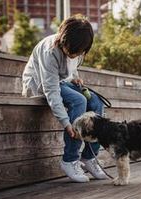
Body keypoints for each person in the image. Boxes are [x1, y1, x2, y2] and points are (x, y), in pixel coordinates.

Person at [22, 14, 107, 183]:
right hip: (39, 85)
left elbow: (70, 67)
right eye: (72, 52)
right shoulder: (49, 51)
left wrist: (74, 77)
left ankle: (89, 157)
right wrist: (67, 124)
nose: (75, 56)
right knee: (79, 100)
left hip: (62, 83)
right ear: (63, 40)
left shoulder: (79, 46)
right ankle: (69, 159)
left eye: (79, 53)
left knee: (97, 102)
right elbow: (51, 90)